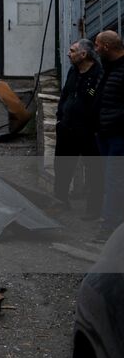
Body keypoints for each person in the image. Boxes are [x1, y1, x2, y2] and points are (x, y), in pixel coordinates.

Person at [55, 39, 103, 217]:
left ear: (84, 54)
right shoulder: (72, 71)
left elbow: (94, 101)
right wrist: (60, 119)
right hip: (67, 128)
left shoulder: (98, 75)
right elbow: (65, 95)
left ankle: (94, 209)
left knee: (94, 170)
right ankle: (59, 201)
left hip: (88, 132)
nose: (68, 53)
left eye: (72, 50)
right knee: (62, 167)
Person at [94, 29, 124, 240]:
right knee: (110, 179)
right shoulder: (107, 68)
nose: (94, 49)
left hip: (118, 136)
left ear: (106, 46)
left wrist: (114, 122)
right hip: (104, 134)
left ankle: (109, 228)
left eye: (97, 45)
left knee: (114, 181)